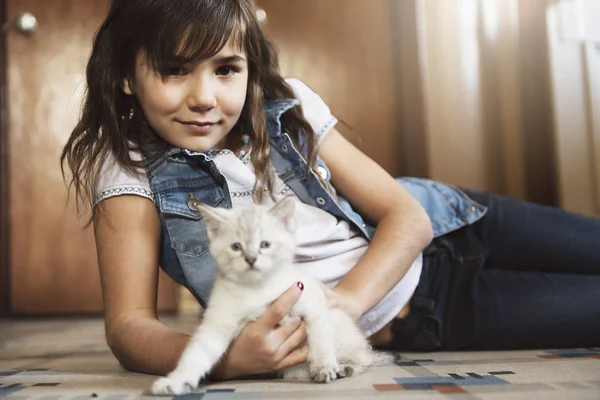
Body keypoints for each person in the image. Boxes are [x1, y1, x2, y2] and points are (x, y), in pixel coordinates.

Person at [61, 0, 600, 380]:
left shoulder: (287, 104)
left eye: (226, 69)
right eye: (175, 69)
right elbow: (129, 326)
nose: (205, 96)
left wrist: (339, 306)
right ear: (127, 76)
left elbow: (408, 217)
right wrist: (225, 357)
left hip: (456, 218)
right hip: (429, 309)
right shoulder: (128, 169)